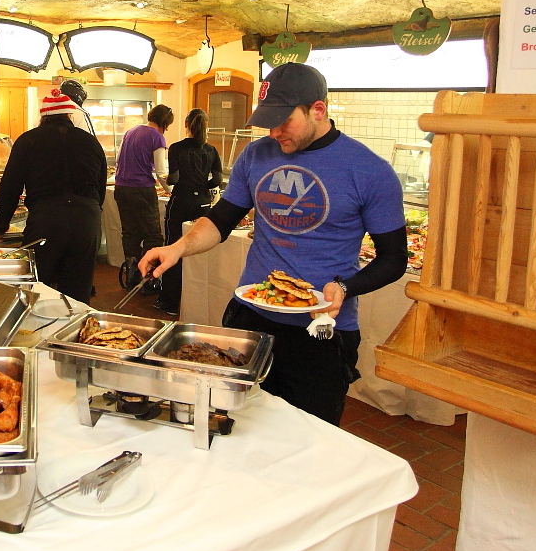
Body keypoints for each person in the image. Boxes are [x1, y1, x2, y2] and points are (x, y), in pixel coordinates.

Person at [140, 63, 407, 426]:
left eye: (284, 121)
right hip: (251, 315)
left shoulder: (369, 171)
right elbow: (221, 220)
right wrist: (178, 248)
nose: (275, 131)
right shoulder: (256, 155)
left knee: (309, 432)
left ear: (318, 110)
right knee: (236, 420)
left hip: (320, 328)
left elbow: (394, 259)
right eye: (268, 121)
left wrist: (344, 286)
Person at [0, 89, 107, 302]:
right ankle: (73, 333)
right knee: (77, 295)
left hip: (46, 221)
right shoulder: (91, 142)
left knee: (37, 290)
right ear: (69, 115)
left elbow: (10, 188)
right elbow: (100, 190)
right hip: (87, 221)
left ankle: (37, 333)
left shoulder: (28, 140)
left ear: (43, 117)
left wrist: (0, 228)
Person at [152, 108, 222, 316]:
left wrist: (167, 180)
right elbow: (217, 180)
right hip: (202, 203)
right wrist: (201, 184)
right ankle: (196, 300)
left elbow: (173, 178)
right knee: (199, 252)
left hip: (180, 202)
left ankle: (169, 301)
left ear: (186, 124)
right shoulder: (211, 150)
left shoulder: (177, 148)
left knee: (173, 248)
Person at [114, 104, 174, 290]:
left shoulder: (131, 131)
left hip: (121, 187)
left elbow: (118, 160)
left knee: (130, 233)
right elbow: (161, 172)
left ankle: (131, 276)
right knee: (153, 236)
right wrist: (171, 191)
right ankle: (147, 279)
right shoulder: (157, 137)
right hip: (141, 189)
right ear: (164, 123)